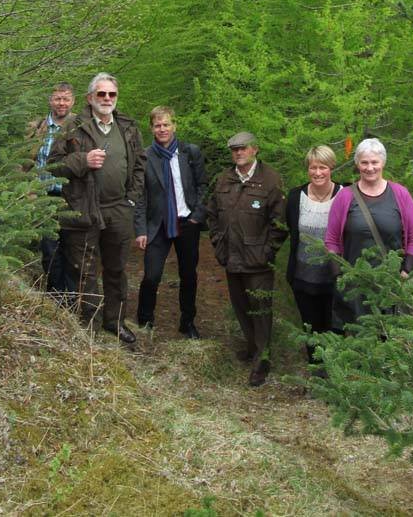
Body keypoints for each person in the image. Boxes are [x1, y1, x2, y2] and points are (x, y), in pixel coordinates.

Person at [49, 72, 145, 344]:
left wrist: (131, 199)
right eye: (101, 94)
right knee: (84, 271)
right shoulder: (73, 126)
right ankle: (88, 327)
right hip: (84, 209)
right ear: (90, 97)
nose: (106, 98)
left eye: (111, 94)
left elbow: (140, 165)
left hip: (118, 210)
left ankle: (115, 321)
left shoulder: (127, 127)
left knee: (116, 270)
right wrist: (82, 160)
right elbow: (53, 164)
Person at [206, 131, 286, 387]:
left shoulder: (270, 180)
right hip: (231, 256)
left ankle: (263, 360)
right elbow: (212, 214)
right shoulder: (224, 179)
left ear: (255, 149)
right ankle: (252, 347)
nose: (238, 153)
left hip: (257, 261)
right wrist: (218, 242)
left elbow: (279, 224)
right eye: (235, 149)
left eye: (243, 148)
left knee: (260, 310)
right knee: (241, 306)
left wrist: (267, 251)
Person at [325, 138, 413, 330]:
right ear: (357, 164)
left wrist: (405, 271)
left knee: (390, 337)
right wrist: (339, 276)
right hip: (354, 285)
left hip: (391, 283)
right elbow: (332, 240)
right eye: (364, 162)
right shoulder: (345, 196)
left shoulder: (400, 194)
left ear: (383, 162)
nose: (370, 168)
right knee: (357, 337)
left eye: (374, 162)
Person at [135, 106, 208, 338]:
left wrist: (197, 215)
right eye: (157, 125)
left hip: (187, 222)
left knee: (188, 275)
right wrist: (140, 229)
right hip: (158, 224)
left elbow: (203, 186)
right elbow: (140, 196)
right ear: (151, 128)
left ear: (174, 126)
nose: (162, 129)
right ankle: (145, 321)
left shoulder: (190, 152)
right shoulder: (145, 156)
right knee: (151, 276)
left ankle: (188, 322)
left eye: (166, 124)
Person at [285, 145, 342, 363]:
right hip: (303, 277)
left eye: (323, 167)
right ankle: (316, 370)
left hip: (335, 277)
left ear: (331, 168)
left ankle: (335, 371)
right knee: (310, 328)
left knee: (334, 328)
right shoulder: (295, 197)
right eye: (313, 167)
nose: (318, 173)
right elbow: (289, 230)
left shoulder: (344, 195)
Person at [27, 82, 76, 297]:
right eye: (57, 98)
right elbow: (22, 161)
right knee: (49, 249)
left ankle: (71, 298)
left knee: (71, 248)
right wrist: (28, 189)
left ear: (73, 101)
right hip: (43, 196)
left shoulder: (80, 126)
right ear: (50, 100)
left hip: (70, 197)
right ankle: (55, 296)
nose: (61, 103)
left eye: (66, 99)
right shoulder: (36, 127)